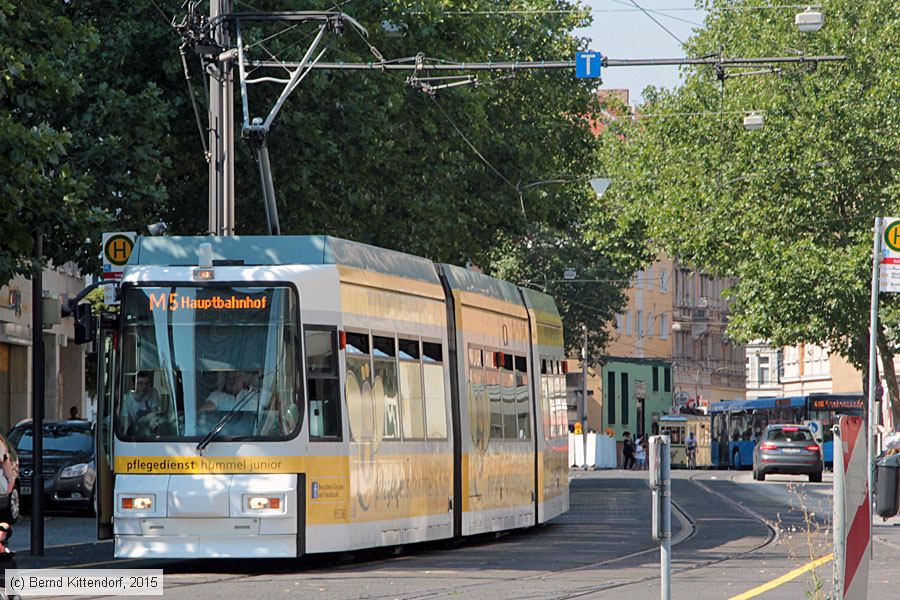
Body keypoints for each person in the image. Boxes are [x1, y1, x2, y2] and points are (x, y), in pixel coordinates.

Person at [122, 371, 164, 435]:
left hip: (148, 429)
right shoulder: (127, 399)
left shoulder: (153, 392)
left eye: (147, 383)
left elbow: (153, 417)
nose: (144, 386)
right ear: (133, 385)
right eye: (140, 383)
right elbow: (126, 424)